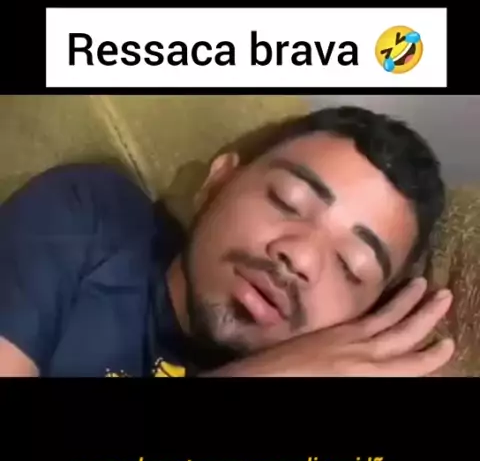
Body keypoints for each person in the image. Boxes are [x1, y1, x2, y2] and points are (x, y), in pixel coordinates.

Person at [0, 106, 455, 378]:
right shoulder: (89, 215)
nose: (299, 257)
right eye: (287, 200)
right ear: (217, 183)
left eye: (351, 266)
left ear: (364, 318)